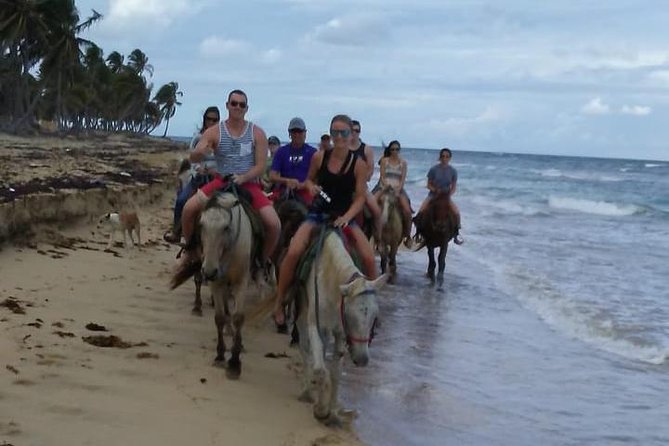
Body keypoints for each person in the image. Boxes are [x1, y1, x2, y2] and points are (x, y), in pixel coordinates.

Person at [273, 114, 378, 326]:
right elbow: (309, 180)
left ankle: (372, 307)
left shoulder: (359, 165)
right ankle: (279, 302)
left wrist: (347, 217)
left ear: (351, 135)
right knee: (293, 252)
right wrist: (311, 187)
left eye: (343, 132)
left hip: (344, 217)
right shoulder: (319, 157)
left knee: (368, 259)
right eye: (335, 132)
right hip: (318, 215)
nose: (339, 137)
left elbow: (359, 199)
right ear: (330, 134)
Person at [178, 89, 281, 272]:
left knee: (274, 224)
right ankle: (192, 250)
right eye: (234, 103)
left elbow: (260, 166)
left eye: (241, 104)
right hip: (221, 181)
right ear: (227, 105)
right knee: (188, 209)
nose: (237, 107)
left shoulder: (257, 133)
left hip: (249, 183)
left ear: (246, 108)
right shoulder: (214, 131)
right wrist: (200, 153)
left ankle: (260, 261)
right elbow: (194, 157)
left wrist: (243, 177)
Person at [164, 106, 220, 244]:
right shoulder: (198, 138)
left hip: (217, 178)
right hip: (200, 177)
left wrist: (217, 171)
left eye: (215, 120)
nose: (211, 122)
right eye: (209, 119)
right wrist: (199, 168)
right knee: (182, 200)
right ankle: (177, 231)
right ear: (204, 120)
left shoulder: (222, 139)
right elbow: (192, 159)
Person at [416, 148, 463, 245]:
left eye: (447, 156)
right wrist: (435, 190)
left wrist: (448, 194)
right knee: (421, 211)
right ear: (440, 157)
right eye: (443, 156)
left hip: (445, 196)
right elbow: (428, 184)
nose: (444, 158)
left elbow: (453, 187)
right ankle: (419, 234)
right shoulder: (433, 169)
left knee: (457, 213)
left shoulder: (453, 171)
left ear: (450, 158)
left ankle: (456, 234)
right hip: (433, 195)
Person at [372, 140, 413, 247]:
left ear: (399, 150)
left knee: (407, 210)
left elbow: (402, 179)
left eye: (397, 149)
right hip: (384, 187)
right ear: (389, 150)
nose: (395, 151)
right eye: (393, 149)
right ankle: (369, 230)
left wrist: (398, 189)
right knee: (371, 203)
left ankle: (407, 236)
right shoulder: (384, 161)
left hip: (398, 188)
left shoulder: (403, 163)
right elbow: (382, 176)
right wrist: (386, 186)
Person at [269, 117, 317, 204]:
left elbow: (318, 177)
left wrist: (304, 185)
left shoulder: (313, 153)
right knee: (269, 205)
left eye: (300, 131)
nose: (297, 134)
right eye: (294, 131)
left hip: (306, 191)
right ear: (289, 133)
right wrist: (287, 181)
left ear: (305, 133)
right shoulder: (281, 151)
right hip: (284, 190)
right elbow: (272, 176)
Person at [350, 120, 382, 243]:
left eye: (357, 130)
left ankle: (378, 240)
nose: (354, 133)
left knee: (376, 211)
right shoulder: (343, 149)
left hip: (361, 188)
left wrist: (360, 180)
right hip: (343, 187)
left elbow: (370, 171)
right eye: (352, 130)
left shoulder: (366, 149)